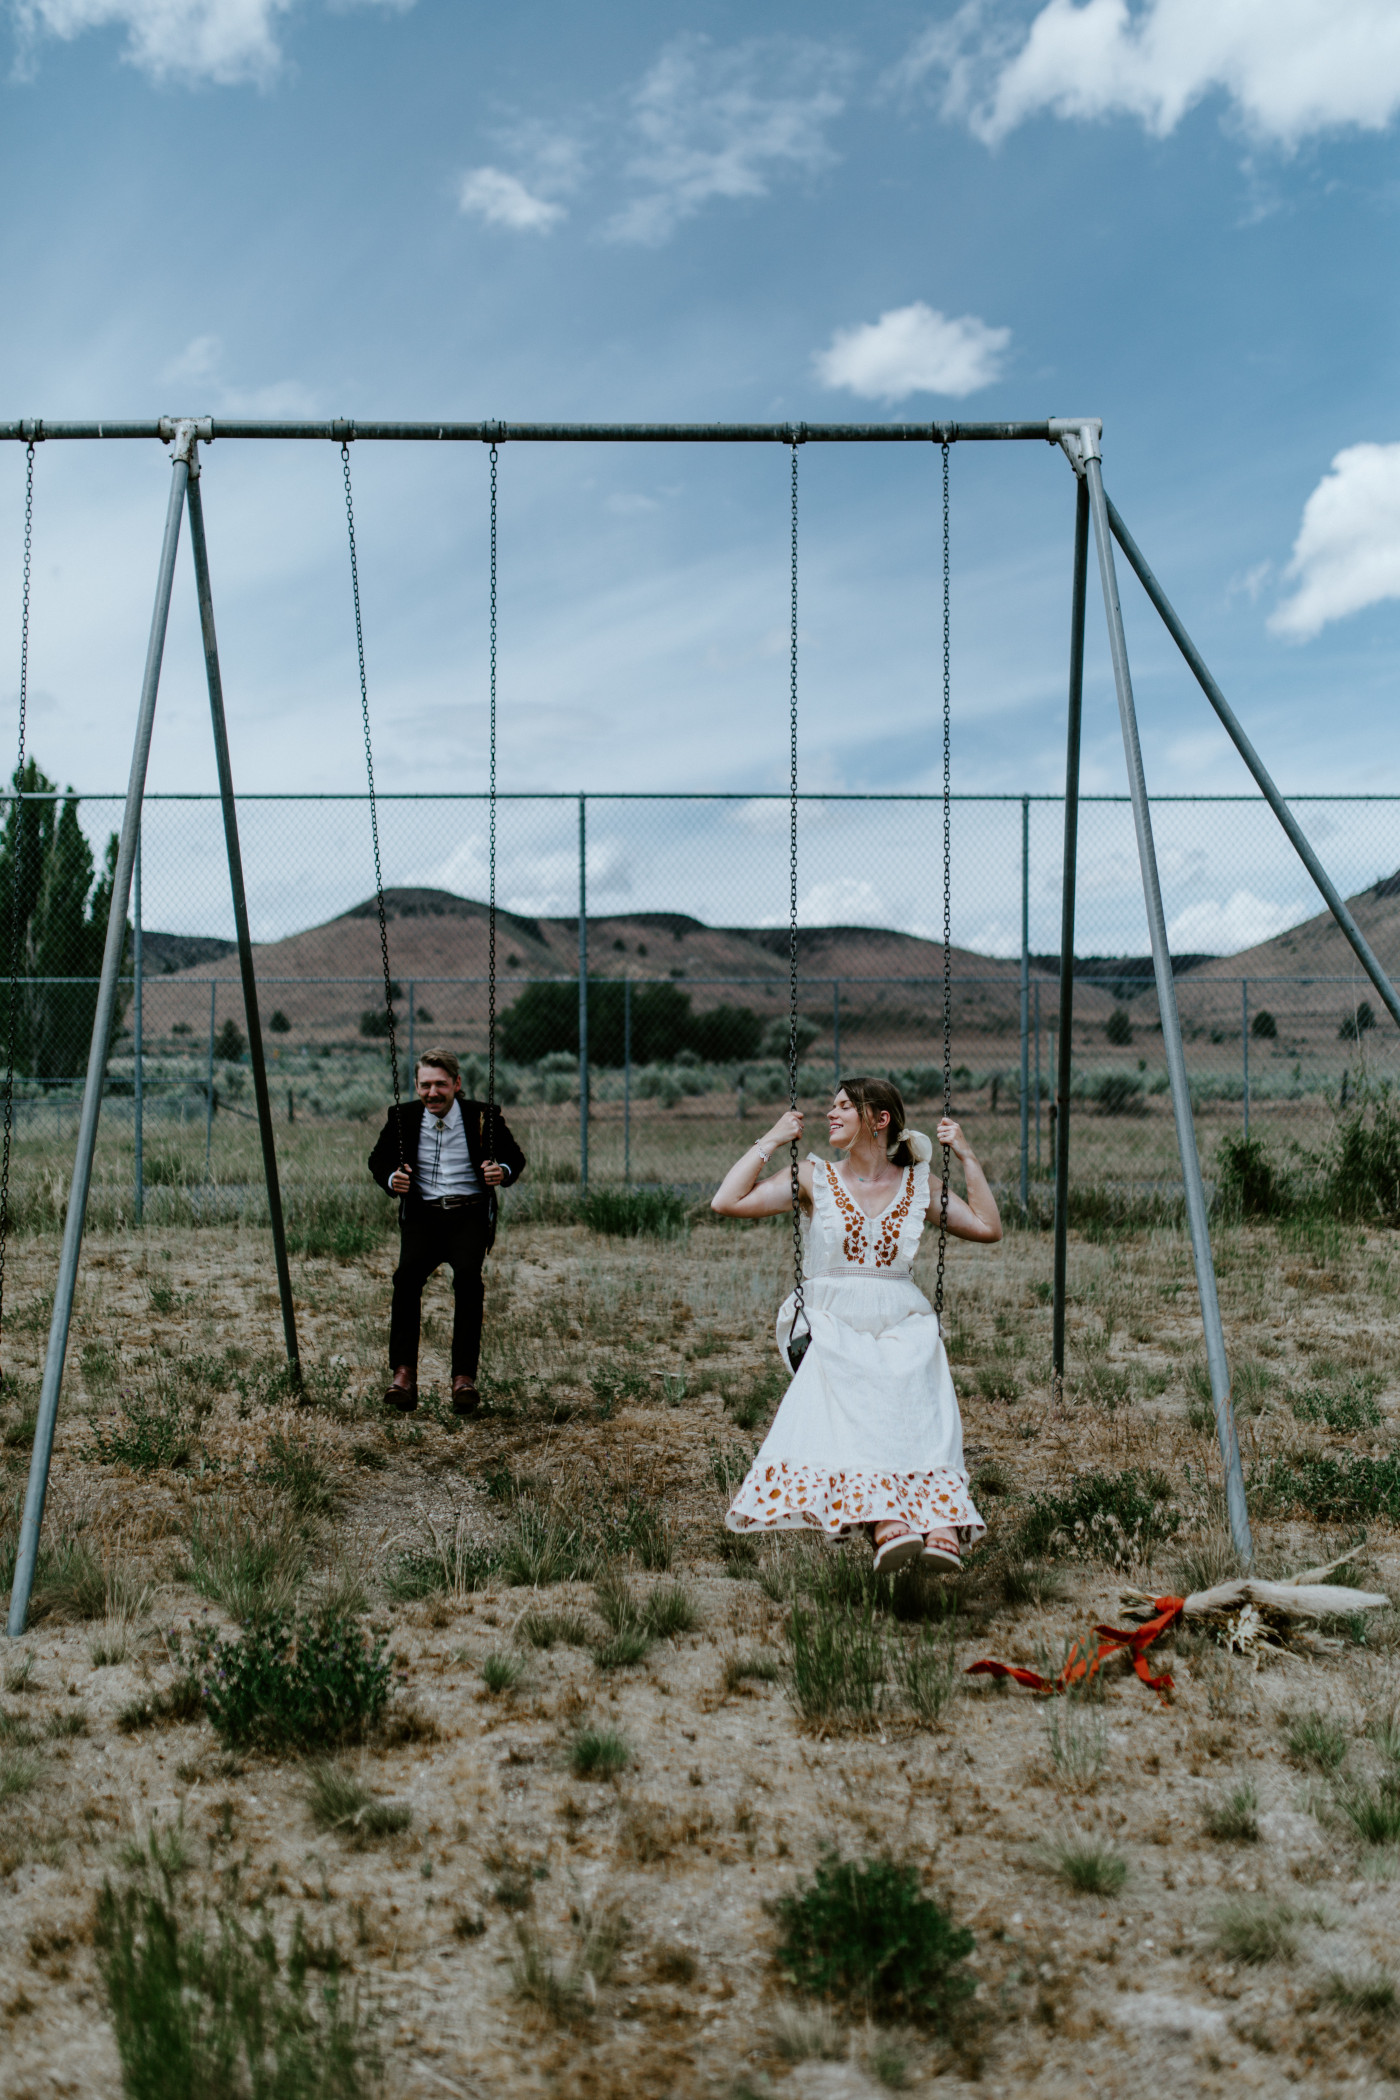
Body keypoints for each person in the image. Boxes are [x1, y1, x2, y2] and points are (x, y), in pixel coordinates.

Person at [711, 1075, 1001, 1572]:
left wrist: (968, 1156)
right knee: (857, 1385)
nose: (831, 1113)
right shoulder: (814, 1176)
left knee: (916, 1379)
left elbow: (987, 1227)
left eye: (844, 1106)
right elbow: (727, 1201)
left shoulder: (917, 1184)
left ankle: (940, 1521)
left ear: (879, 1120)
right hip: (827, 1317)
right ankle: (884, 1520)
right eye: (832, 1105)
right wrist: (773, 1140)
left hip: (899, 1314)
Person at [367, 1050, 526, 1417]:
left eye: (440, 1084)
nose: (432, 1092)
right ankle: (404, 1375)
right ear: (417, 1086)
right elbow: (378, 1160)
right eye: (425, 1085)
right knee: (406, 1280)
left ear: (457, 1084)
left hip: (467, 1215)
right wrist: (394, 1178)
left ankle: (463, 1379)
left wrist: (500, 1171)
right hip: (423, 1216)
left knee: (469, 1282)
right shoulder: (403, 1117)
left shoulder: (482, 1117)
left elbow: (515, 1158)